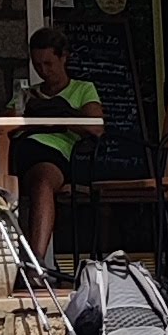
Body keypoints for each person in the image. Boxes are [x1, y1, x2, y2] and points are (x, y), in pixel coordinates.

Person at [16, 26, 101, 273]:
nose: (43, 71)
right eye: (37, 65)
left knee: (42, 182)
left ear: (64, 57)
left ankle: (36, 262)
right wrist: (27, 106)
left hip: (56, 155)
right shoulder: (29, 92)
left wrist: (62, 112)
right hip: (22, 149)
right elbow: (8, 118)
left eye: (48, 64)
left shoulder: (83, 89)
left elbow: (96, 126)